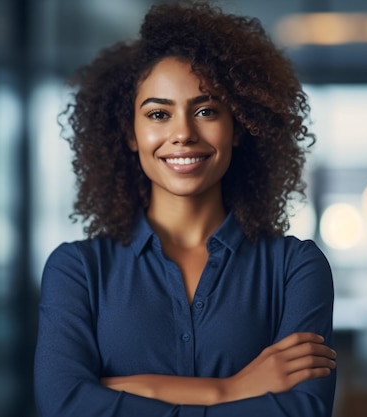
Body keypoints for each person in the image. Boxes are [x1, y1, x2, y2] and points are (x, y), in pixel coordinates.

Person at [34, 1, 337, 416]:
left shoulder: (294, 268)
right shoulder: (78, 271)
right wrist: (229, 391)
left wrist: (126, 391)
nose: (182, 134)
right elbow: (63, 405)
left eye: (207, 110)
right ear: (131, 134)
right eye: (159, 113)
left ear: (239, 128)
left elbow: (301, 411)